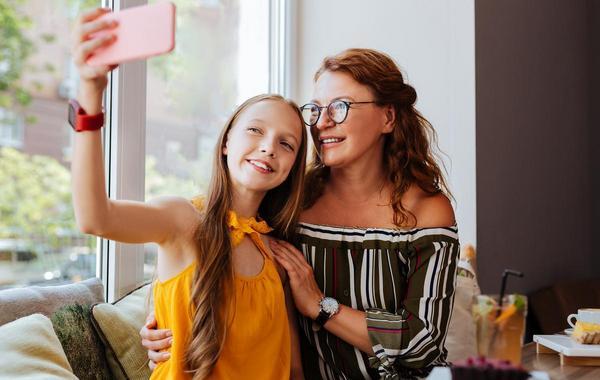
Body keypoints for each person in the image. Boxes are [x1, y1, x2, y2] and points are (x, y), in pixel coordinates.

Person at [143, 48, 459, 379]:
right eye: (316, 109)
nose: (322, 123)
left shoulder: (426, 209)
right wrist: (161, 323)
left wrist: (321, 307)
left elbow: (423, 341)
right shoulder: (289, 201)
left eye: (340, 107)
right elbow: (213, 254)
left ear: (388, 118)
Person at [71, 8, 307, 379]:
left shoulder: (274, 253)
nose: (268, 148)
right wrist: (90, 94)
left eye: (286, 143)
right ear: (226, 141)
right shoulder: (182, 218)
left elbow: (291, 367)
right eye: (255, 130)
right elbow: (94, 217)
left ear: (293, 165)